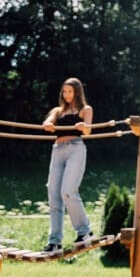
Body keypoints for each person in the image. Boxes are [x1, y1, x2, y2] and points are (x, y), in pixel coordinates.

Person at [42, 77, 94, 252]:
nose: (66, 94)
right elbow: (47, 123)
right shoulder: (58, 111)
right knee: (54, 196)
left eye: (70, 91)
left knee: (68, 192)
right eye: (64, 91)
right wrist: (49, 124)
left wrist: (82, 126)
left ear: (77, 92)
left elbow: (88, 130)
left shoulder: (85, 109)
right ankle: (54, 241)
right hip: (57, 150)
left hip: (75, 149)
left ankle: (85, 232)